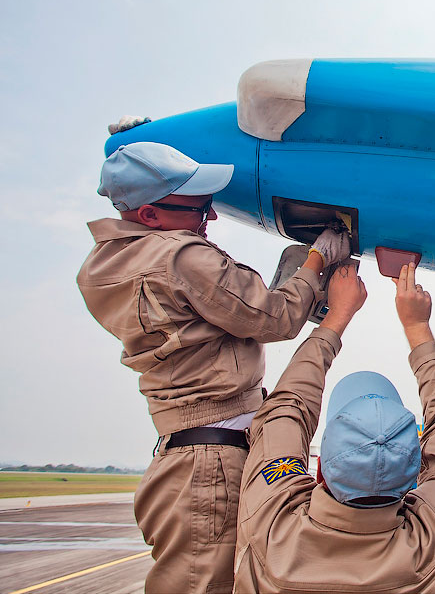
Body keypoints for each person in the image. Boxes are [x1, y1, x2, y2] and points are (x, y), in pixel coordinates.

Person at [77, 141, 347, 593]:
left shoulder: (100, 266)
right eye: (199, 209)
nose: (212, 218)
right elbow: (274, 318)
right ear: (149, 216)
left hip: (189, 449)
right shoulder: (182, 256)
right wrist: (316, 259)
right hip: (213, 459)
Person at [233, 263, 435, 592]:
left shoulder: (274, 527)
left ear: (319, 468)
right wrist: (418, 326)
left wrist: (338, 315)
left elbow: (285, 410)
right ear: (413, 474)